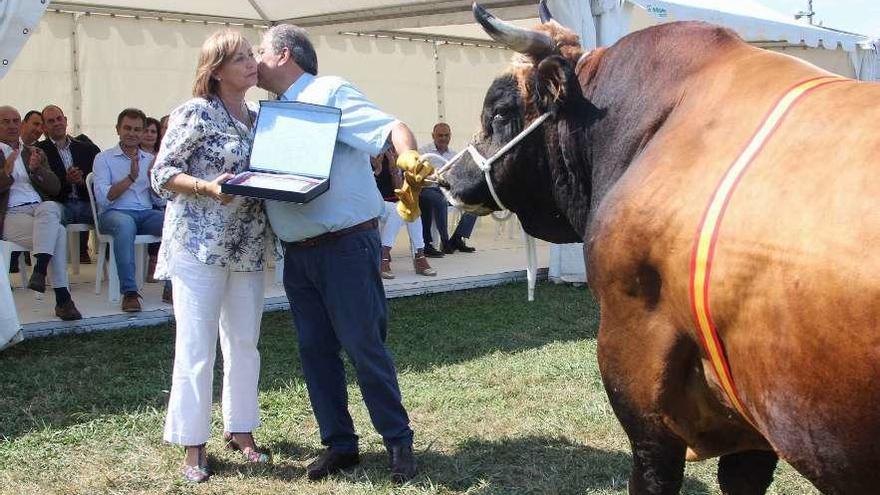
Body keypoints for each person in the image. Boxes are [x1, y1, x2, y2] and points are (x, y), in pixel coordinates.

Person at [256, 23, 424, 483]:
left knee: (363, 346)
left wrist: (406, 162)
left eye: (261, 51)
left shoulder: (329, 91)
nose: (254, 60)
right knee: (315, 352)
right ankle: (340, 445)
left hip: (345, 246)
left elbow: (393, 127)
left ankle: (397, 441)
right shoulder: (269, 110)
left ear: (285, 54)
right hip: (298, 254)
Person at [152, 29, 270, 484]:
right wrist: (206, 187)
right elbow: (162, 174)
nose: (251, 63)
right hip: (198, 245)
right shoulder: (194, 112)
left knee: (244, 342)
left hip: (248, 245)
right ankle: (193, 443)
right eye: (240, 58)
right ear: (216, 70)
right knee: (196, 347)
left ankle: (241, 430)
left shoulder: (262, 117)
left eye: (251, 56)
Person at [0, 105, 82, 320]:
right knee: (59, 234)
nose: (11, 126)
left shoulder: (33, 152)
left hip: (39, 210)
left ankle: (40, 269)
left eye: (15, 121)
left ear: (21, 124)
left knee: (52, 206)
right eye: (5, 121)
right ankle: (63, 299)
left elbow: (54, 188)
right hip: (10, 214)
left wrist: (37, 170)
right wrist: (6, 173)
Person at [92, 108, 165, 312]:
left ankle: (171, 287)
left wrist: (154, 183)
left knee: (175, 221)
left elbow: (157, 201)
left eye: (137, 129)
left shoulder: (150, 160)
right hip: (114, 214)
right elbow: (104, 199)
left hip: (145, 213)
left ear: (142, 133)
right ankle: (130, 293)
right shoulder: (103, 159)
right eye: (127, 128)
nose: (132, 133)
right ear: (117, 129)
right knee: (125, 225)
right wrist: (131, 178)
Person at [36, 105, 101, 263]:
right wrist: (66, 181)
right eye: (51, 121)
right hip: (61, 204)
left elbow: (100, 184)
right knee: (49, 215)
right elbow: (41, 186)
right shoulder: (38, 151)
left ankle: (111, 264)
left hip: (87, 205)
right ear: (44, 127)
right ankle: (47, 268)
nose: (57, 123)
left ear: (65, 120)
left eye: (59, 119)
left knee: (112, 215)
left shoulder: (88, 149)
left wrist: (81, 181)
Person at [372, 148, 436, 279]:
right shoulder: (371, 154)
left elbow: (400, 190)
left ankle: (415, 253)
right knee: (402, 210)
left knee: (410, 209)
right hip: (375, 203)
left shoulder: (400, 159)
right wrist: (377, 168)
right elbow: (368, 187)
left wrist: (394, 170)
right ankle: (418, 257)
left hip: (394, 204)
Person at [418, 122, 478, 256]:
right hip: (429, 189)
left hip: (449, 190)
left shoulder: (455, 155)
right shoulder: (423, 152)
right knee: (440, 200)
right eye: (440, 135)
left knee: (474, 201)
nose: (443, 138)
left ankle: (457, 238)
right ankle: (445, 241)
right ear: (433, 136)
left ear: (450, 136)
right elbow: (417, 175)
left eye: (446, 135)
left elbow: (461, 176)